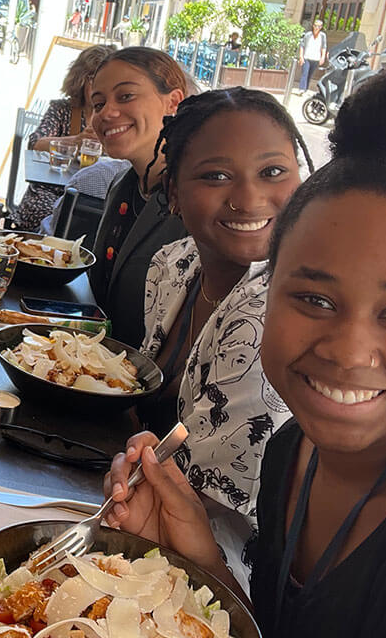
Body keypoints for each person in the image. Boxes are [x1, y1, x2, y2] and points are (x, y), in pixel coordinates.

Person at [103, 71, 386, 636]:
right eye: (314, 298)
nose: (347, 351)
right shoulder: (295, 449)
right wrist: (198, 560)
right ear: (267, 287)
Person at [136, 87, 314, 587]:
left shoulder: (279, 318)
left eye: (273, 172)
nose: (249, 198)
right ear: (173, 192)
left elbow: (220, 527)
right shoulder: (173, 267)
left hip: (226, 582)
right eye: (216, 175)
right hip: (146, 531)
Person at [87, 47, 191, 347]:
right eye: (98, 103)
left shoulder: (192, 202)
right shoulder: (122, 184)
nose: (106, 112)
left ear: (173, 102)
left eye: (126, 96)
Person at [11, 44, 115, 229]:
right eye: (93, 79)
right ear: (81, 79)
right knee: (55, 217)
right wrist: (75, 141)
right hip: (49, 191)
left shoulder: (115, 118)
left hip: (94, 197)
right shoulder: (63, 109)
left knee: (99, 225)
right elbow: (36, 143)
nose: (99, 88)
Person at [298, 19, 327, 92]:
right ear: (313, 26)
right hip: (307, 57)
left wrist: (322, 57)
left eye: (319, 26)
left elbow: (324, 47)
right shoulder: (308, 35)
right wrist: (301, 56)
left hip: (316, 58)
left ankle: (305, 89)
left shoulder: (322, 36)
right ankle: (301, 88)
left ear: (321, 27)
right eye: (315, 25)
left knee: (309, 74)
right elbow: (302, 45)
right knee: (305, 73)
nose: (317, 27)